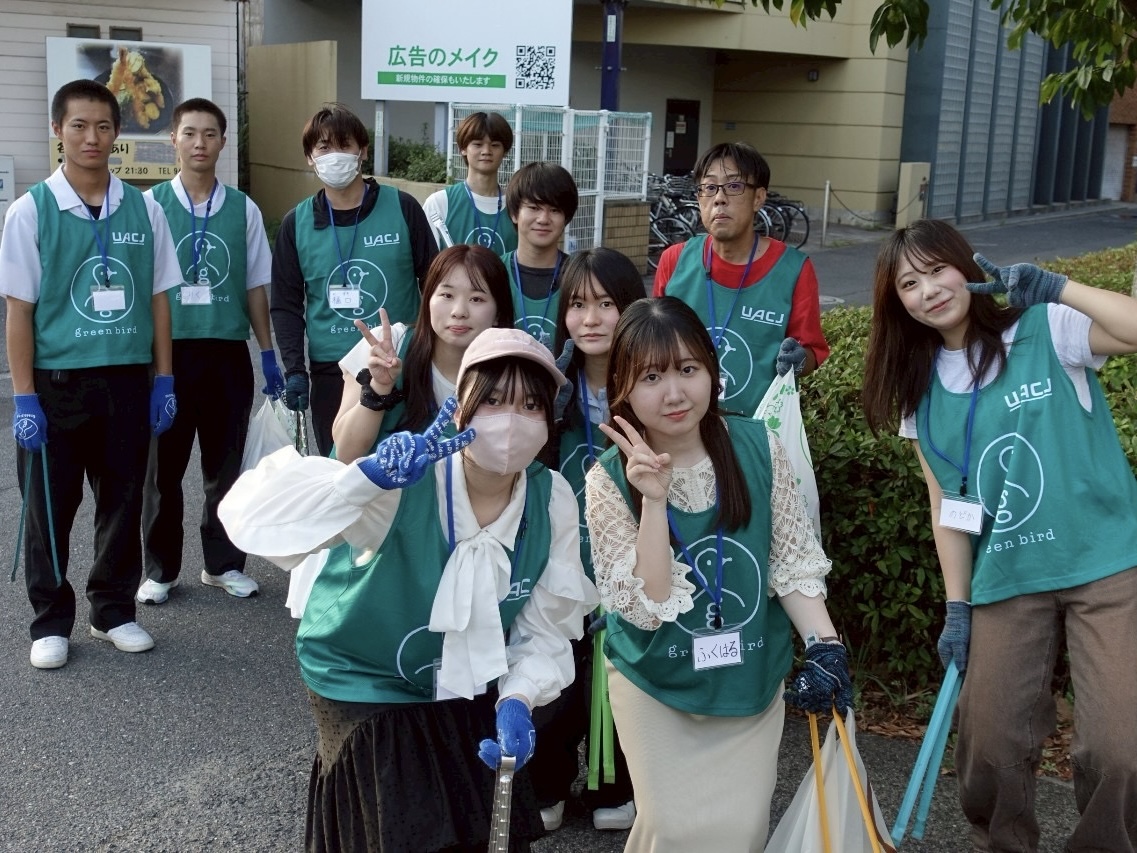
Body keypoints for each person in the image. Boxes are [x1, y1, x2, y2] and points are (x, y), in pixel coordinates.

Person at [219, 327, 598, 853]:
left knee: (489, 828)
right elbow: (254, 518)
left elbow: (545, 625)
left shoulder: (550, 497)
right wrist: (366, 479)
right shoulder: (411, 473)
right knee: (406, 822)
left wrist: (519, 696)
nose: (511, 420)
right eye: (492, 400)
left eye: (530, 405)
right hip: (363, 675)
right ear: (460, 407)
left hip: (468, 678)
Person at [861, 219, 1137, 853]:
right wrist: (956, 606)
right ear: (896, 302)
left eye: (938, 270)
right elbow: (945, 504)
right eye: (909, 283)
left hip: (1105, 563)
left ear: (967, 267)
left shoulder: (1045, 329)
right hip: (1007, 576)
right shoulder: (919, 390)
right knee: (988, 745)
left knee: (1120, 749)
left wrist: (1060, 288)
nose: (929, 290)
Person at [585, 296, 852, 850]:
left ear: (711, 369)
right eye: (651, 377)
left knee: (740, 832)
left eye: (688, 369)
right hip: (656, 682)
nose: (674, 393)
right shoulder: (607, 479)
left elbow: (792, 562)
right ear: (624, 389)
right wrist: (653, 501)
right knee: (671, 829)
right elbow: (649, 602)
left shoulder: (759, 446)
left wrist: (825, 647)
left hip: (748, 677)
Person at [1, 79, 183, 669]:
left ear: (116, 133)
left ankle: (112, 610)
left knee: (123, 502)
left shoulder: (144, 208)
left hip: (127, 382)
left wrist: (163, 379)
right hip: (56, 385)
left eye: (103, 126)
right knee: (49, 509)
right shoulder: (31, 210)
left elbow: (159, 298)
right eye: (78, 125)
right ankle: (50, 621)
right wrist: (23, 398)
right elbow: (19, 311)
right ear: (58, 130)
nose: (91, 137)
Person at [137, 97, 283, 606]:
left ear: (223, 142)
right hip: (168, 356)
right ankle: (160, 570)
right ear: (173, 140)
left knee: (226, 469)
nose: (200, 143)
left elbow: (256, 286)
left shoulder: (244, 208)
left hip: (225, 354)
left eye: (210, 134)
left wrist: (268, 353)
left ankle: (223, 565)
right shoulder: (152, 205)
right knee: (163, 471)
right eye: (190, 133)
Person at [529, 248, 644, 832]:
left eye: (606, 304)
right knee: (555, 679)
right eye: (577, 304)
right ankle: (547, 784)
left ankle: (612, 786)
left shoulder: (651, 384)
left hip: (629, 565)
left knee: (622, 675)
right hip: (558, 563)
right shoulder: (548, 386)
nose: (591, 319)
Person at [271, 103, 438, 456]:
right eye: (324, 147)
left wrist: (437, 351)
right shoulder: (296, 223)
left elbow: (436, 283)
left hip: (402, 363)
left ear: (362, 151)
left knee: (407, 467)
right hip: (332, 370)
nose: (335, 155)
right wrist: (295, 370)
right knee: (340, 472)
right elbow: (285, 305)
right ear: (310, 158)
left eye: (344, 145)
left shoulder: (403, 208)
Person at [653, 142, 828, 415]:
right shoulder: (674, 261)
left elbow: (812, 352)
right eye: (709, 187)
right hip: (684, 425)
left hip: (758, 428)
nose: (719, 199)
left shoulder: (793, 269)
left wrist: (798, 360)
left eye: (734, 186)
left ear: (759, 197)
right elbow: (652, 343)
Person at [330, 244, 514, 464]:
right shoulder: (390, 344)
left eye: (476, 299)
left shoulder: (512, 376)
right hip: (372, 486)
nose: (459, 311)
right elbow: (345, 454)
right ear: (427, 300)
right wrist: (379, 387)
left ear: (498, 313)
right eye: (447, 295)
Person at [502, 161, 579, 348]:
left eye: (554, 210)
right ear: (514, 214)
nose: (544, 219)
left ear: (566, 218)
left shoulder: (580, 276)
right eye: (534, 208)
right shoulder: (493, 272)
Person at [422, 111, 518, 254]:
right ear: (463, 149)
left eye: (495, 145)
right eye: (478, 144)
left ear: (505, 151)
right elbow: (426, 261)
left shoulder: (518, 205)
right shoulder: (439, 203)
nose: (486, 151)